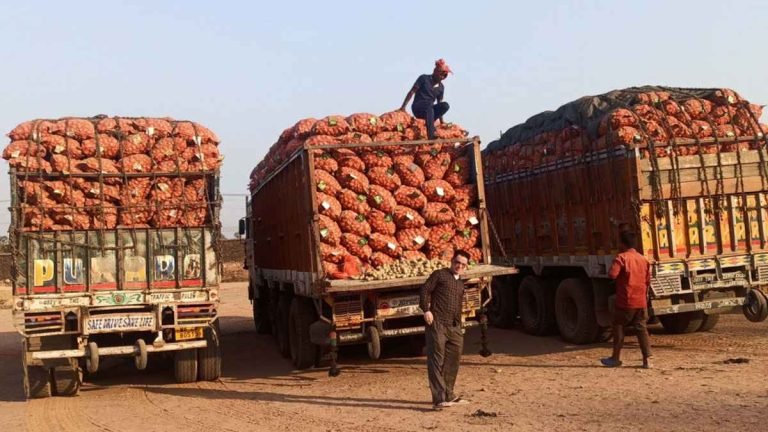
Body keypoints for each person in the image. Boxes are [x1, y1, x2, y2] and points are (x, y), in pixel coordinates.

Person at [420, 249, 472, 410]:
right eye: (457, 262)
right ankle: (438, 399)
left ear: (466, 266)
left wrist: (460, 320)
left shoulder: (460, 282)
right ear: (452, 261)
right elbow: (425, 290)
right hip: (437, 324)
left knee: (454, 358)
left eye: (463, 264)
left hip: (454, 326)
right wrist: (426, 310)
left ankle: (449, 394)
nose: (459, 266)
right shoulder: (440, 275)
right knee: (436, 360)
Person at [601, 230, 653, 369]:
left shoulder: (621, 258)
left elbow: (612, 275)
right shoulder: (643, 259)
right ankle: (647, 360)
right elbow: (648, 280)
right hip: (641, 301)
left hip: (626, 301)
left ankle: (615, 358)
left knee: (618, 327)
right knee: (641, 329)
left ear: (622, 244)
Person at [399, 59, 452, 140]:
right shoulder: (424, 78)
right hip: (418, 107)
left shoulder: (441, 87)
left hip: (429, 111)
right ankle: (431, 136)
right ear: (435, 72)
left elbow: (439, 102)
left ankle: (429, 121)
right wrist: (403, 107)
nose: (442, 77)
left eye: (444, 76)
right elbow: (412, 91)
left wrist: (441, 122)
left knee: (445, 105)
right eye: (441, 74)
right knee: (428, 106)